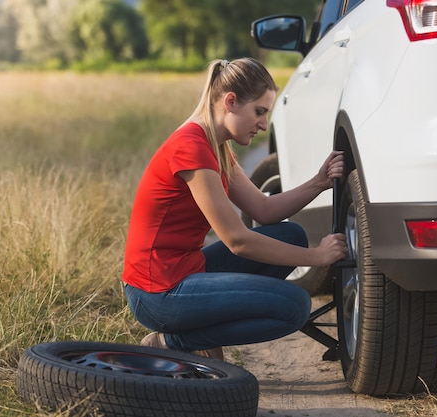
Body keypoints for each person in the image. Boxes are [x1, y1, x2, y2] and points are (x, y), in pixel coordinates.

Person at [123, 57, 347, 360]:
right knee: (294, 305)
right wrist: (315, 257)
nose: (263, 125)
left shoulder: (216, 146)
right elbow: (237, 240)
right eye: (259, 112)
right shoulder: (191, 146)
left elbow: (265, 210)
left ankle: (197, 333)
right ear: (230, 101)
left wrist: (318, 182)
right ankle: (175, 341)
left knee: (290, 234)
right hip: (157, 294)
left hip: (185, 272)